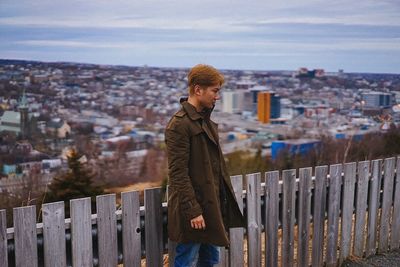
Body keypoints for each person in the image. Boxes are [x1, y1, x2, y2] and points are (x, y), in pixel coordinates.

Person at [165, 64, 245, 267]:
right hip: (194, 211)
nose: (217, 97)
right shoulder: (179, 125)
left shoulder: (204, 121)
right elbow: (177, 173)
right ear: (198, 89)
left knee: (211, 260)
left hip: (210, 207)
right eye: (215, 91)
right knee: (187, 261)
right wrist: (193, 211)